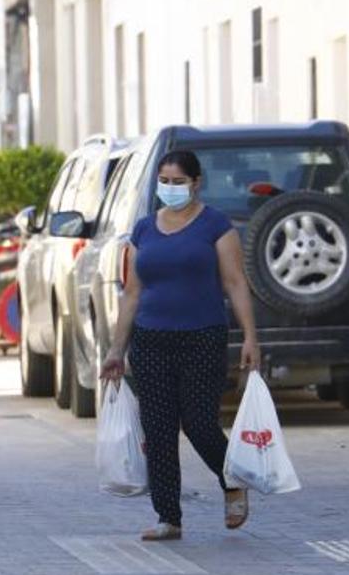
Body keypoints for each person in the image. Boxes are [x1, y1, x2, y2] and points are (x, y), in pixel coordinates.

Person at [99, 150, 262, 541]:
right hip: (150, 340)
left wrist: (251, 338)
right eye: (164, 181)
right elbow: (133, 292)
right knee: (157, 431)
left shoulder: (215, 226)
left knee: (200, 424)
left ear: (195, 183)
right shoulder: (143, 230)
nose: (170, 188)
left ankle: (233, 482)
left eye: (178, 181)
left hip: (202, 337)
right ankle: (168, 517)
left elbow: (236, 283)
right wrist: (116, 349)